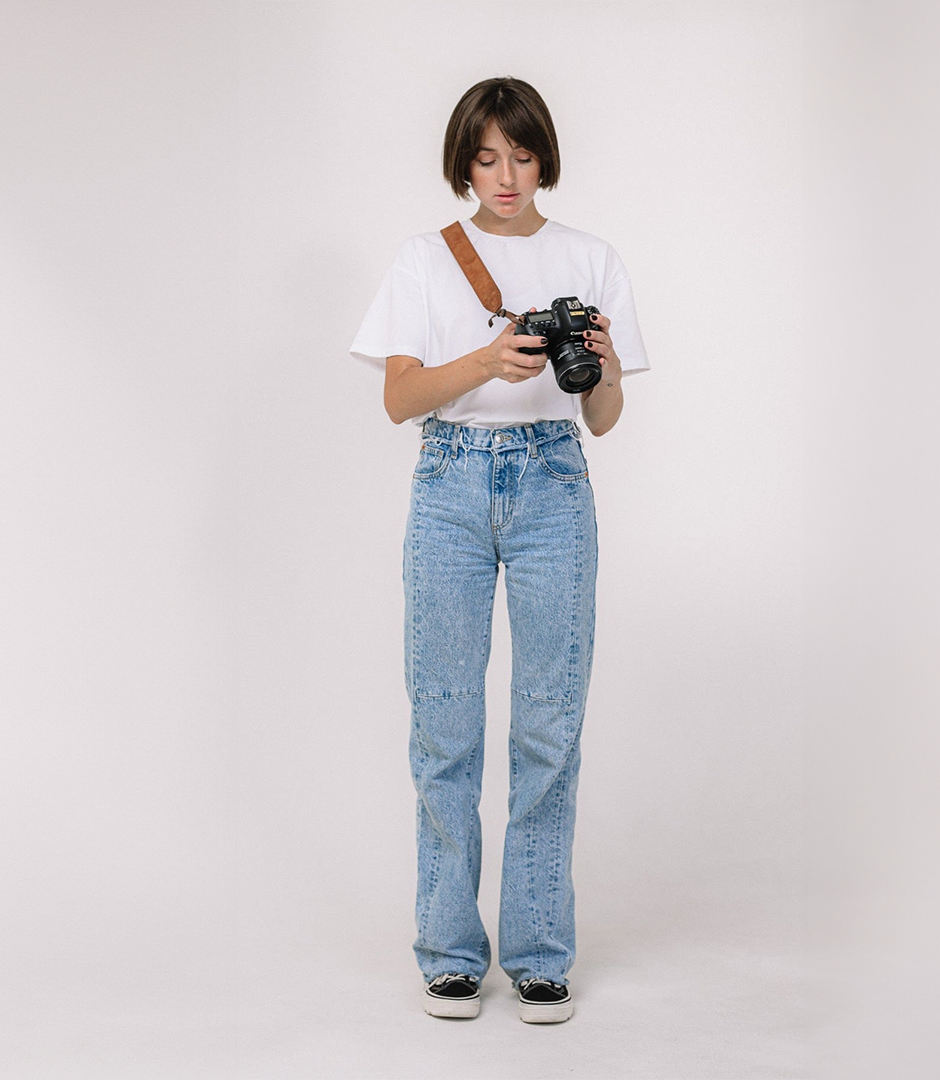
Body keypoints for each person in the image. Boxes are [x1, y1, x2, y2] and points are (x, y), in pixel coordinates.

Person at [349, 76, 650, 1023]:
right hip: (450, 481)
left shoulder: (591, 256)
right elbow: (399, 399)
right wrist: (487, 359)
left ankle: (538, 954)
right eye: (487, 158)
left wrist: (600, 369)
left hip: (554, 480)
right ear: (464, 164)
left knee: (549, 725)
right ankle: (448, 952)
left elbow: (603, 419)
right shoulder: (423, 258)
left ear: (543, 157)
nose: (506, 176)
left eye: (522, 156)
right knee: (445, 723)